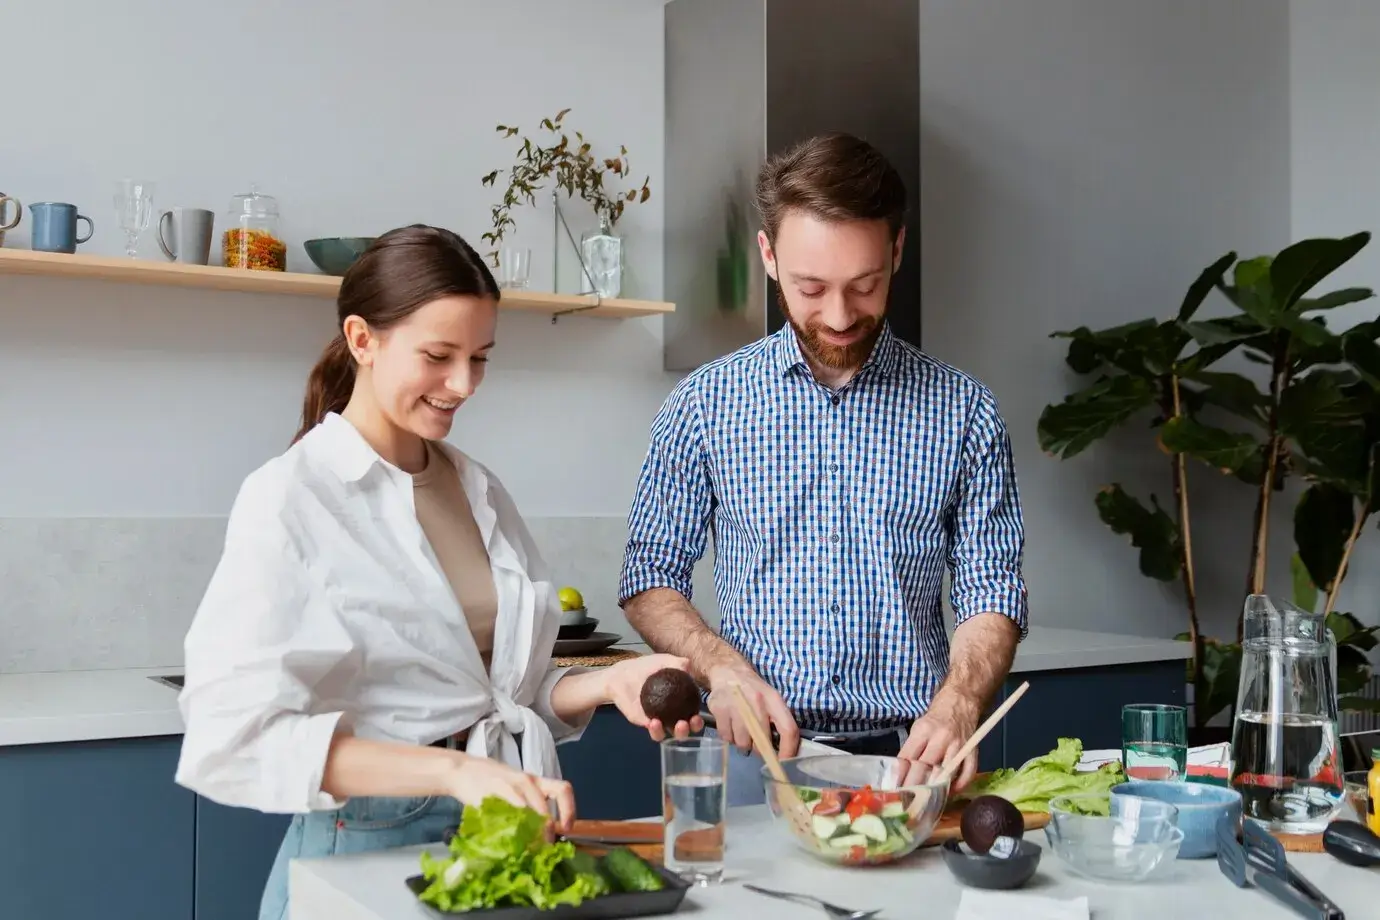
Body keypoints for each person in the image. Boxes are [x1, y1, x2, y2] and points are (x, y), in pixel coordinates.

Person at [175, 225, 701, 920]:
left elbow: (500, 693)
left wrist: (610, 683)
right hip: (368, 846)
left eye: (479, 358)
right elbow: (234, 735)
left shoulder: (477, 488)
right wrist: (455, 773)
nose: (463, 385)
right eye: (438, 355)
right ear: (362, 340)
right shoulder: (294, 497)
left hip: (502, 837)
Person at [618, 133, 1028, 806]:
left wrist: (958, 703)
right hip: (754, 757)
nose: (839, 317)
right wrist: (721, 668)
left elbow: (992, 591)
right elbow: (648, 578)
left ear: (897, 251)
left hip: (909, 763)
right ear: (769, 256)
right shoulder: (703, 405)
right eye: (811, 288)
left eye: (865, 286)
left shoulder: (967, 413)